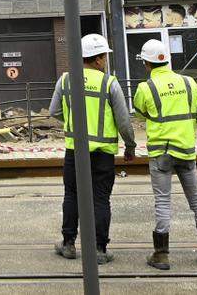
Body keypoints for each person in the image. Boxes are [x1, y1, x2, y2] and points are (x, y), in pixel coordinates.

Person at [49, 33, 137, 264]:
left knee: (72, 195)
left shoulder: (66, 80)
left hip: (74, 151)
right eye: (105, 57)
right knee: (100, 199)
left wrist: (73, 121)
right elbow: (124, 121)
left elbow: (54, 111)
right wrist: (130, 146)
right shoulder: (109, 83)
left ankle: (68, 244)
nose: (106, 61)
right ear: (96, 59)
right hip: (103, 154)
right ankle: (99, 249)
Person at [132, 38, 197, 270]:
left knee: (162, 201)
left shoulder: (145, 88)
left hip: (161, 152)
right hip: (185, 150)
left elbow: (141, 114)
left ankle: (161, 255)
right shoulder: (189, 82)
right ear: (167, 60)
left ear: (146, 64)